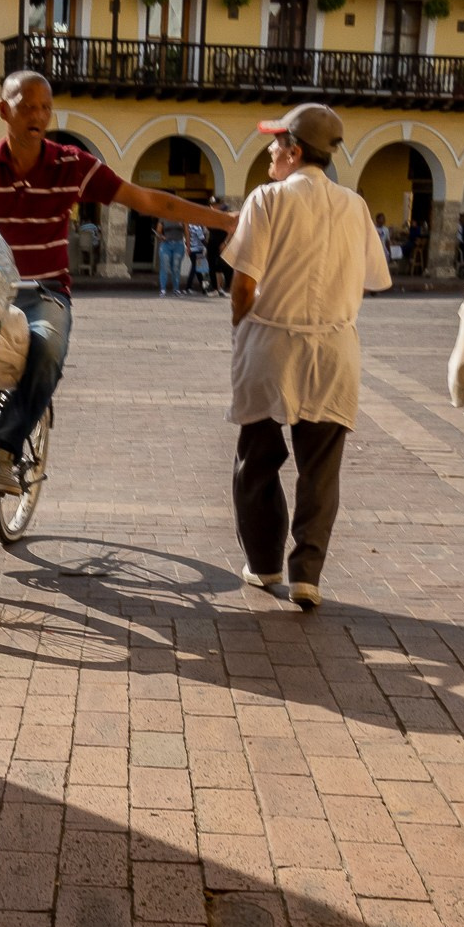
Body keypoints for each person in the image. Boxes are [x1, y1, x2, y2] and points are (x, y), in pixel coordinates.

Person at [0, 70, 236, 495]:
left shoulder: (72, 165)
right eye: (26, 107)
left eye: (44, 107)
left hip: (43, 290)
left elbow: (148, 200)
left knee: (47, 350)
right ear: (4, 110)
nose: (37, 115)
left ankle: (1, 453)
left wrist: (224, 220)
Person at [225, 104, 391, 612]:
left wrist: (241, 323)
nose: (270, 151)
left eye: (277, 144)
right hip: (334, 347)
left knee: (257, 460)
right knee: (320, 468)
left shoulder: (267, 199)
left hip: (272, 342)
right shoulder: (355, 205)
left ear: (295, 151)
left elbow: (244, 283)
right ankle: (307, 575)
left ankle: (265, 563)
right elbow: (372, 278)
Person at [156, 217, 188, 295]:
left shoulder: (182, 217)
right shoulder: (163, 218)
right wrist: (161, 237)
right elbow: (158, 231)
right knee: (164, 266)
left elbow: (187, 232)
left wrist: (188, 246)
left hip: (179, 244)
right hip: (166, 244)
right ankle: (163, 289)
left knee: (176, 267)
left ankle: (176, 289)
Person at [186, 222, 210, 295]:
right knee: (203, 270)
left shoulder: (190, 225)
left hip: (193, 250)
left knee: (198, 270)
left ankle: (204, 289)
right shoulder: (197, 227)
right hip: (198, 250)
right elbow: (202, 239)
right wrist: (209, 247)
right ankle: (188, 287)